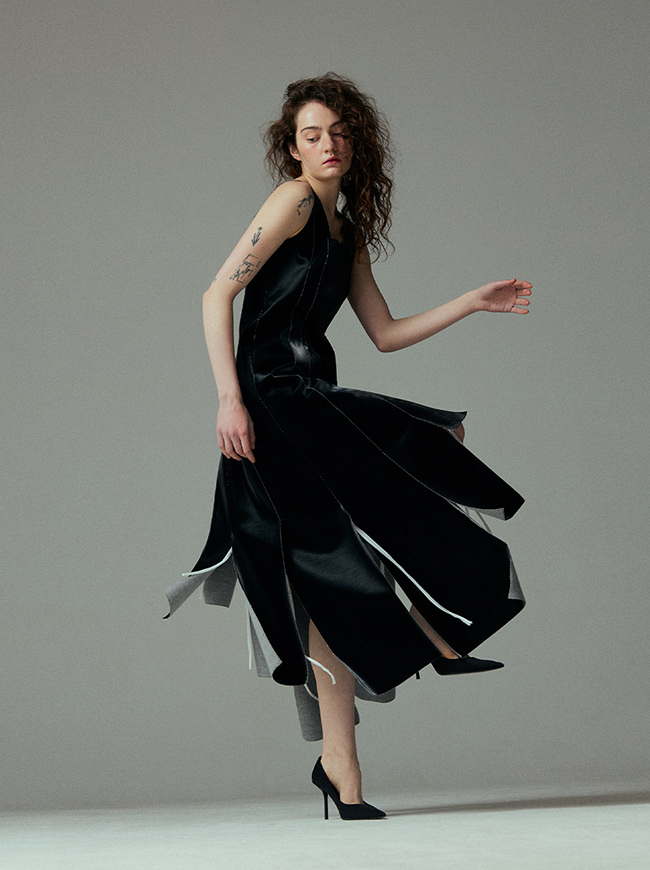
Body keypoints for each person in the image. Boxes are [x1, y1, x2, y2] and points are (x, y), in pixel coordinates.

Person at [165, 73, 532, 820]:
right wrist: (229, 400)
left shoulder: (347, 229)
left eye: (338, 133)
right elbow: (215, 294)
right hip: (272, 398)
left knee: (327, 575)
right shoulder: (294, 201)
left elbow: (386, 335)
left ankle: (342, 767)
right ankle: (436, 634)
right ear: (293, 149)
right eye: (312, 135)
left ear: (356, 142)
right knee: (413, 459)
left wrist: (471, 302)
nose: (327, 145)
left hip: (310, 396)